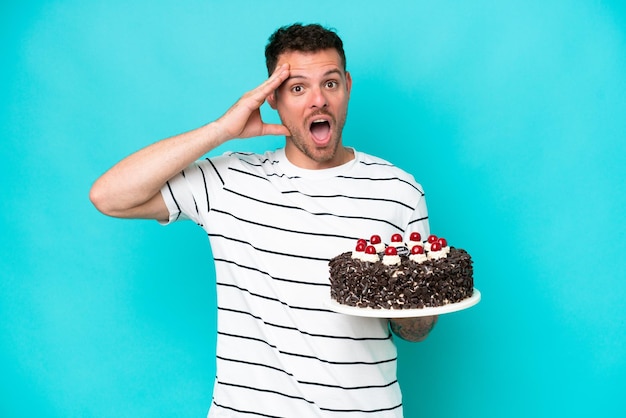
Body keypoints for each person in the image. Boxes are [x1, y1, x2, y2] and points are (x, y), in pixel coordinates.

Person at [90, 23, 438, 417]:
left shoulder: (397, 189)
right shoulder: (227, 180)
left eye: (330, 83)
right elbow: (109, 196)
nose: (317, 101)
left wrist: (413, 306)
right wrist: (222, 130)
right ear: (272, 98)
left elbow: (417, 330)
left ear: (347, 87)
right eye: (297, 88)